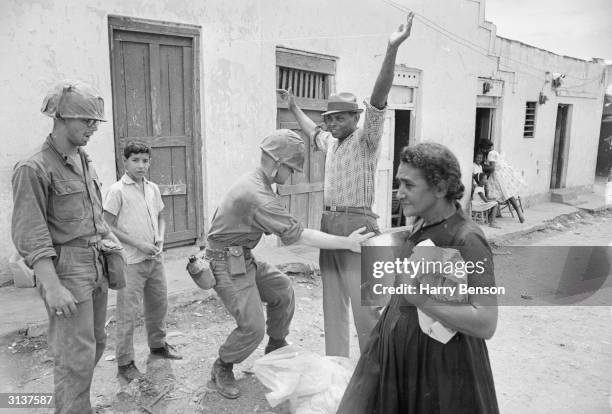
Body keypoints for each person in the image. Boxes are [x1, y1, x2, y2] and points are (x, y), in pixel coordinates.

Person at [276, 12, 415, 357]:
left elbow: (379, 98)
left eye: (340, 117)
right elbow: (312, 131)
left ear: (356, 118)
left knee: (366, 308)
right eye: (330, 118)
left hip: (360, 227)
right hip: (331, 225)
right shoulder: (332, 143)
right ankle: (336, 368)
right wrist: (293, 107)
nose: (333, 123)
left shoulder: (366, 139)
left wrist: (391, 49)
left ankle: (375, 373)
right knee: (332, 303)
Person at [206, 129, 374, 399]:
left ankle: (276, 344)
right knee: (252, 326)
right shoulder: (257, 196)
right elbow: (300, 235)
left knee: (282, 289)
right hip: (225, 261)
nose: (293, 175)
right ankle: (222, 365)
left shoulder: (258, 182)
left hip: (241, 255)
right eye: (291, 169)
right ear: (276, 164)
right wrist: (347, 242)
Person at [337, 142, 500, 414]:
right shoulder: (423, 222)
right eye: (399, 184)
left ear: (439, 188)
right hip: (401, 357)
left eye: (409, 185)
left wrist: (420, 298)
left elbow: (485, 323)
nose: (399, 193)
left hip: (439, 368)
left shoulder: (467, 239)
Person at [11, 80, 120, 414]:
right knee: (75, 355)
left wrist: (108, 243)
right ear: (59, 118)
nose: (92, 129)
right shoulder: (34, 168)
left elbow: (92, 214)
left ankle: (76, 405)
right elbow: (30, 233)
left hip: (95, 264)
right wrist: (52, 285)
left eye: (95, 123)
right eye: (85, 121)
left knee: (95, 344)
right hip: (67, 269)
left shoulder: (83, 159)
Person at [103, 140, 182, 383]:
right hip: (131, 261)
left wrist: (160, 237)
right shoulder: (117, 191)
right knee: (128, 312)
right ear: (124, 161)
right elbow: (107, 225)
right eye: (135, 160)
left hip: (155, 258)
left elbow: (161, 216)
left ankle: (158, 346)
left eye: (145, 161)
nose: (141, 165)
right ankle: (125, 362)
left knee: (158, 305)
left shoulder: (153, 189)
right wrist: (138, 244)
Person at [478, 139, 526, 223]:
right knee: (508, 194)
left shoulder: (490, 154)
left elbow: (492, 168)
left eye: (482, 149)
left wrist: (481, 166)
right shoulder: (495, 152)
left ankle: (492, 215)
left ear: (484, 148)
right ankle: (519, 212)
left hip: (497, 176)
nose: (482, 151)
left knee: (492, 193)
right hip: (502, 174)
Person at [472, 152, 500, 228]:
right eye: (484, 179)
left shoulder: (480, 167)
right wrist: (491, 201)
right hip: (478, 205)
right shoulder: (479, 189)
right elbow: (485, 200)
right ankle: (492, 222)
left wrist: (491, 200)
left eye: (481, 158)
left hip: (480, 202)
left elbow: (484, 199)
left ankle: (491, 219)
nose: (479, 159)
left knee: (494, 202)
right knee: (495, 204)